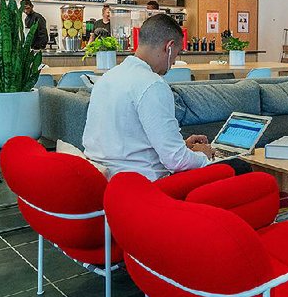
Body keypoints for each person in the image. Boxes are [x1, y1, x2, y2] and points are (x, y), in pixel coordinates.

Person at [83, 14, 215, 180]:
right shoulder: (153, 85)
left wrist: (183, 145)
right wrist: (205, 156)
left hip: (104, 181)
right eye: (177, 53)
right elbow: (176, 160)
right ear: (169, 47)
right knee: (234, 167)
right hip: (143, 185)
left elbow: (129, 139)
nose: (174, 62)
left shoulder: (108, 77)